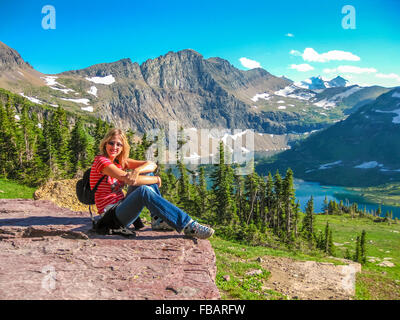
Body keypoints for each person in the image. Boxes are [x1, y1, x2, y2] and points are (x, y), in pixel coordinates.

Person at [89, 128, 214, 239]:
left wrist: (137, 170)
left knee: (147, 174)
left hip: (120, 206)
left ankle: (157, 220)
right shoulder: (101, 161)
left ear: (123, 148)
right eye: (111, 142)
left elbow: (151, 164)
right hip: (111, 217)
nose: (114, 147)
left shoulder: (119, 161)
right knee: (144, 191)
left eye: (119, 144)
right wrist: (156, 180)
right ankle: (189, 225)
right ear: (105, 143)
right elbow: (128, 179)